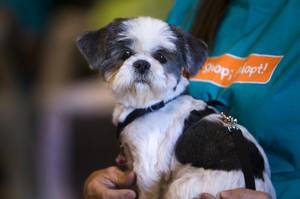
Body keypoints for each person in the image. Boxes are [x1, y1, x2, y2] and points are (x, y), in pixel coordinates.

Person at [83, 0, 300, 198]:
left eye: (159, 57)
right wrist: (118, 183)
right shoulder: (191, 7)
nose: (142, 64)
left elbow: (151, 180)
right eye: (126, 55)